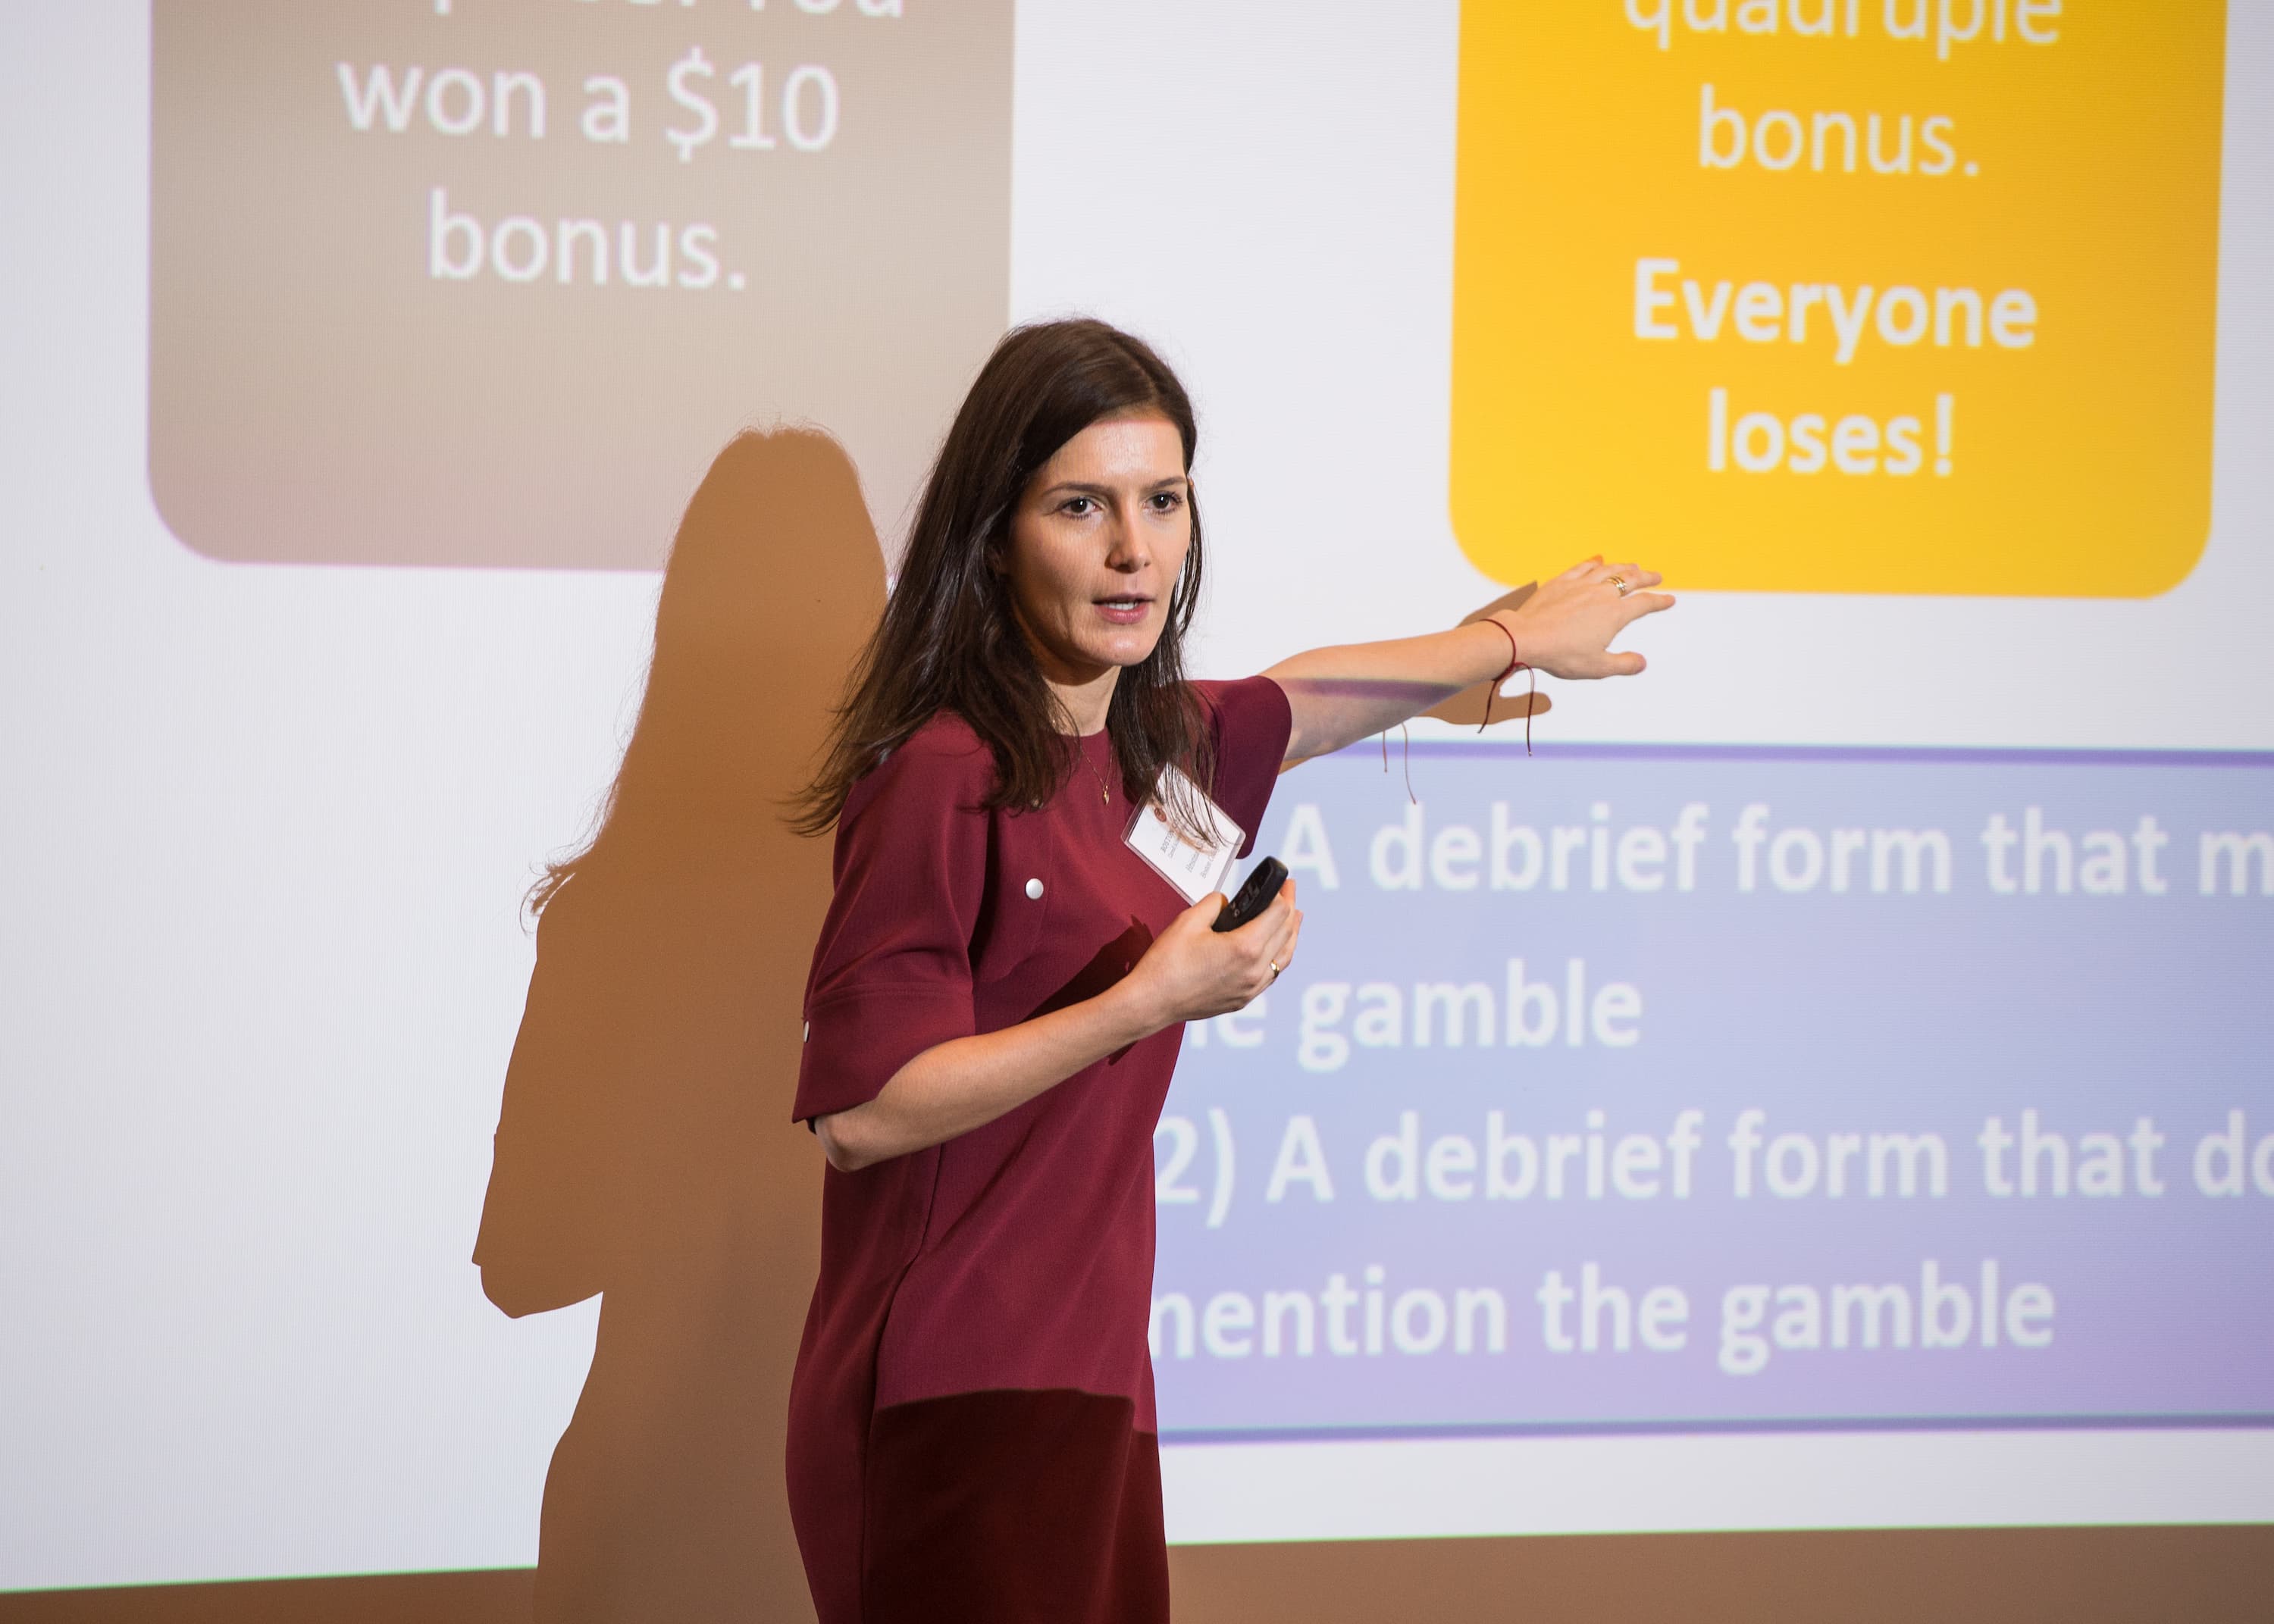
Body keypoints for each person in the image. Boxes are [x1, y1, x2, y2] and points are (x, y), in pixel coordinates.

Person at [785, 319, 1670, 1624]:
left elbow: (1306, 697)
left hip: (1088, 1379)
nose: (1133, 549)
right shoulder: (940, 775)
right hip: (949, 1389)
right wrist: (1149, 1000)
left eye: (1164, 501)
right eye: (1081, 506)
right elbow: (863, 1114)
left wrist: (1506, 637)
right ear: (996, 531)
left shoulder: (1155, 745)